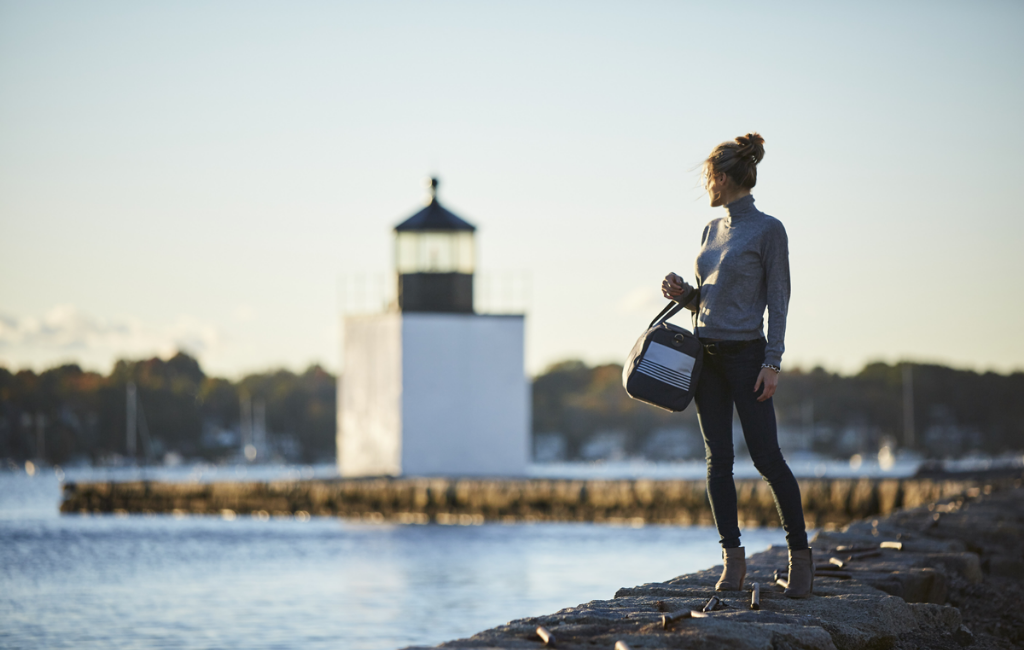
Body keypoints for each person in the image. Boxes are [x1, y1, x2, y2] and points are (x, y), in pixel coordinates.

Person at [661, 132, 812, 598]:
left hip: (749, 358)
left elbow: (780, 301)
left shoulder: (769, 230)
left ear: (723, 178)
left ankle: (801, 562)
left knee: (768, 458)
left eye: (709, 177)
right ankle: (733, 562)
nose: (707, 185)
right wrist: (686, 295)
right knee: (717, 463)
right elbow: (711, 299)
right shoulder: (711, 230)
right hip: (705, 357)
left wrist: (773, 361)